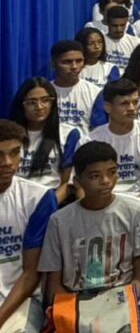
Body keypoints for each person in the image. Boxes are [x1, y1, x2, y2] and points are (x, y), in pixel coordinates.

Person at [39, 141, 140, 330]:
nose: (106, 180)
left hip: (121, 295)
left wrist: (127, 301)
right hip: (75, 299)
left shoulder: (136, 212)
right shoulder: (59, 221)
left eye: (111, 172)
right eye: (95, 176)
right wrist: (69, 313)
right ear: (78, 181)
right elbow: (54, 284)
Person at [0, 120, 59, 333]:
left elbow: (30, 274)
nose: (8, 162)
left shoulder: (38, 198)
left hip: (19, 299)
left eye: (15, 153)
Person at [89, 79, 140, 201]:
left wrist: (139, 209)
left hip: (138, 200)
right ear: (108, 107)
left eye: (135, 102)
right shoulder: (91, 139)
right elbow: (83, 185)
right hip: (100, 202)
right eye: (124, 103)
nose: (132, 108)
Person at [9, 79, 81, 204]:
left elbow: (68, 184)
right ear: (21, 105)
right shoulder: (9, 135)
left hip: (52, 200)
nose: (40, 107)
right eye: (32, 102)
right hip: (14, 200)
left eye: (45, 100)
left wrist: (47, 207)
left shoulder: (68, 134)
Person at [50, 40, 104, 135]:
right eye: (67, 62)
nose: (74, 67)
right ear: (54, 64)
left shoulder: (95, 92)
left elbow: (99, 130)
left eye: (79, 61)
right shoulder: (45, 92)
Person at [103, 5, 140, 72]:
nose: (119, 29)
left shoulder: (136, 42)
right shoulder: (100, 42)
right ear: (107, 23)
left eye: (122, 25)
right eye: (115, 26)